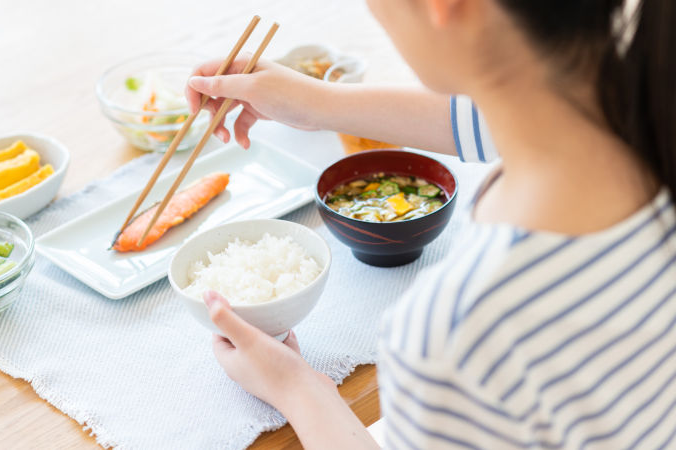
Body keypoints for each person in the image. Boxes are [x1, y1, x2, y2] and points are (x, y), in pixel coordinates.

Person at [185, 0, 676, 448]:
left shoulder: (455, 331)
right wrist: (318, 103)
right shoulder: (648, 110)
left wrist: (295, 387)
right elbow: (492, 118)